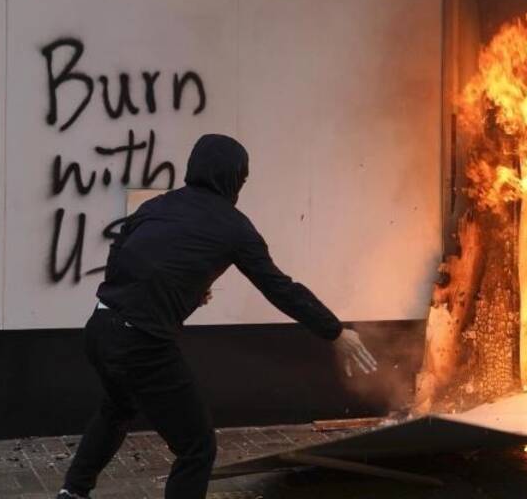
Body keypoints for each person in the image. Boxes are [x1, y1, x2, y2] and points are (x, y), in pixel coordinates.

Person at [58, 134, 378, 499]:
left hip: (100, 328)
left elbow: (122, 247)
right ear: (234, 178)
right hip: (141, 343)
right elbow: (279, 288)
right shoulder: (234, 227)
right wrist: (335, 332)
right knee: (197, 448)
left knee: (117, 409)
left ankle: (73, 492)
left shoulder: (158, 205)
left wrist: (170, 291)